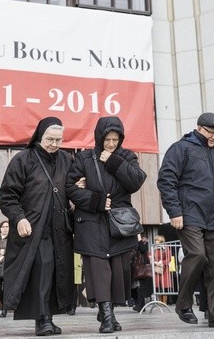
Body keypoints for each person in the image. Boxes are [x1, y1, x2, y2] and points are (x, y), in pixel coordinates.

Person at [66, 116, 147, 333]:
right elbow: (70, 188)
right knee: (98, 269)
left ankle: (107, 311)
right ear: (99, 137)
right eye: (107, 139)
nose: (111, 143)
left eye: (115, 139)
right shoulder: (83, 158)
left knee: (118, 269)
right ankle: (107, 317)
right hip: (91, 222)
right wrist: (96, 200)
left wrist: (113, 161)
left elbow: (136, 181)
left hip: (118, 224)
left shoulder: (126, 156)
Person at [157, 112, 214, 328]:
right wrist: (174, 211)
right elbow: (166, 180)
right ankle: (183, 304)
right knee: (197, 255)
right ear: (199, 128)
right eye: (211, 132)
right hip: (189, 214)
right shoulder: (181, 148)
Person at [0, 117, 74, 336]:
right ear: (40, 136)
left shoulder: (67, 160)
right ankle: (42, 319)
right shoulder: (23, 159)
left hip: (59, 227)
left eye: (58, 140)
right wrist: (19, 218)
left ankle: (48, 316)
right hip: (34, 227)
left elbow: (73, 187)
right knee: (41, 269)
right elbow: (7, 196)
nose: (54, 144)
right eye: (50, 139)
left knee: (55, 272)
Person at [153, 235, 171, 305]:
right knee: (158, 286)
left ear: (160, 241)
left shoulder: (165, 248)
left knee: (164, 286)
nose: (155, 241)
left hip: (164, 270)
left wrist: (162, 263)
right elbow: (152, 256)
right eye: (155, 240)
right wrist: (154, 261)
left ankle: (164, 301)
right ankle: (160, 301)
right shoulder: (154, 248)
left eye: (156, 240)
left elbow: (168, 258)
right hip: (157, 269)